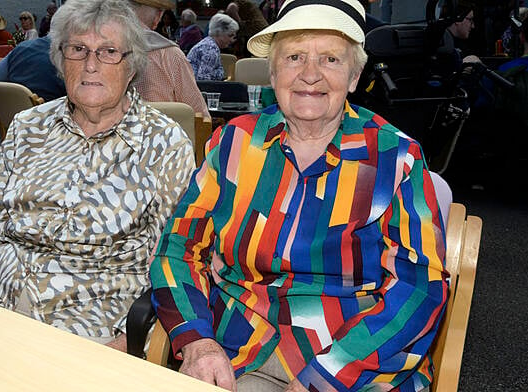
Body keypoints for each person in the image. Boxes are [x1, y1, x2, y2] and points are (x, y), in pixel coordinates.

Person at [149, 0, 448, 391]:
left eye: (330, 59)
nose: (310, 75)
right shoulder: (233, 142)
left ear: (354, 76)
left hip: (358, 360)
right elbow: (178, 249)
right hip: (241, 349)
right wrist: (198, 342)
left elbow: (419, 286)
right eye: (294, 57)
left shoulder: (396, 157)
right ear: (272, 72)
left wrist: (328, 376)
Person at [0, 0, 195, 352]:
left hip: (92, 328)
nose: (90, 65)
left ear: (132, 65)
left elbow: (176, 260)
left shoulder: (163, 143)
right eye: (78, 49)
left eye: (108, 52)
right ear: (61, 60)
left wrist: (130, 344)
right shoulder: (29, 127)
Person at [129, 0, 209, 117]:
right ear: (158, 16)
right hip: (159, 133)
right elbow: (199, 115)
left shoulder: (96, 49)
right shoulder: (170, 55)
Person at [0, 35, 66, 101]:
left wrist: (5, 106)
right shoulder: (67, 57)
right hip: (50, 123)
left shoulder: (22, 48)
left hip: (13, 123)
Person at [187, 13, 238, 80]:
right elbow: (204, 80)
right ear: (218, 33)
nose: (232, 40)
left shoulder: (207, 43)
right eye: (230, 35)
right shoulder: (211, 49)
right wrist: (219, 73)